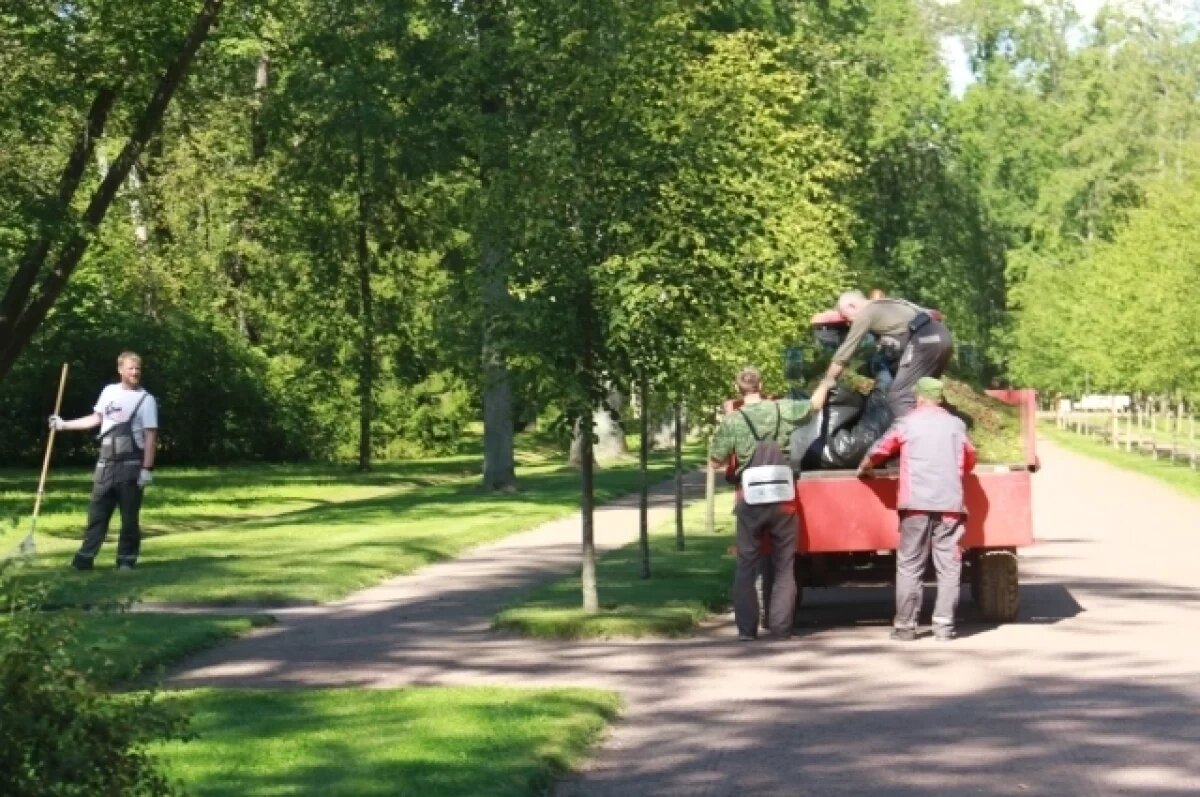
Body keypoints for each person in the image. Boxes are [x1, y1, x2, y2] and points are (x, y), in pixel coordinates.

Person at [857, 377, 976, 641]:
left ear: (919, 397)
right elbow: (970, 456)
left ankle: (905, 627)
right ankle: (944, 628)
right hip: (949, 507)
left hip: (916, 506)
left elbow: (880, 449)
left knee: (911, 565)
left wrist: (865, 467)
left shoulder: (907, 423)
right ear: (941, 398)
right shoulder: (957, 425)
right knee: (948, 567)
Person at [709, 366, 822, 641]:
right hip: (783, 499)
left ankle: (747, 631)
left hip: (751, 499)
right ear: (762, 385)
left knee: (747, 565)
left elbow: (715, 462)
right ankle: (782, 629)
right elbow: (816, 405)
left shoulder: (733, 420)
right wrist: (828, 379)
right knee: (785, 566)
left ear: (739, 389)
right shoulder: (782, 409)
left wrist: (727, 421)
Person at [50, 351, 159, 571]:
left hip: (131, 468)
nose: (135, 372)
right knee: (97, 514)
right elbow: (95, 419)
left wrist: (147, 468)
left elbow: (150, 437)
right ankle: (85, 559)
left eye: (138, 369)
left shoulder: (146, 400)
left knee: (129, 518)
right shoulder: (109, 392)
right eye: (130, 368)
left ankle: (126, 560)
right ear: (120, 370)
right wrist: (63, 425)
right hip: (105, 465)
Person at [812, 290, 952, 418]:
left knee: (899, 397)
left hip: (925, 341)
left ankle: (915, 438)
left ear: (852, 306)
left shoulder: (866, 313)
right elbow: (933, 316)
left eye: (845, 316)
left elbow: (844, 353)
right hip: (942, 337)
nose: (848, 322)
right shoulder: (889, 304)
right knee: (925, 391)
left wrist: (824, 385)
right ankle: (942, 425)